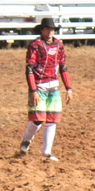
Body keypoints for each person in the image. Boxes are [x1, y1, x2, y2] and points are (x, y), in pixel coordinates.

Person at [19, 18, 73, 161]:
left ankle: (47, 152)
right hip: (39, 86)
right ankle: (27, 139)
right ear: (42, 30)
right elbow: (29, 69)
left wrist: (69, 88)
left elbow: (63, 66)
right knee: (38, 119)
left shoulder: (59, 45)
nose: (50, 32)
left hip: (53, 85)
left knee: (52, 119)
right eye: (48, 29)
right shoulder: (35, 45)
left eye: (52, 29)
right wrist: (33, 90)